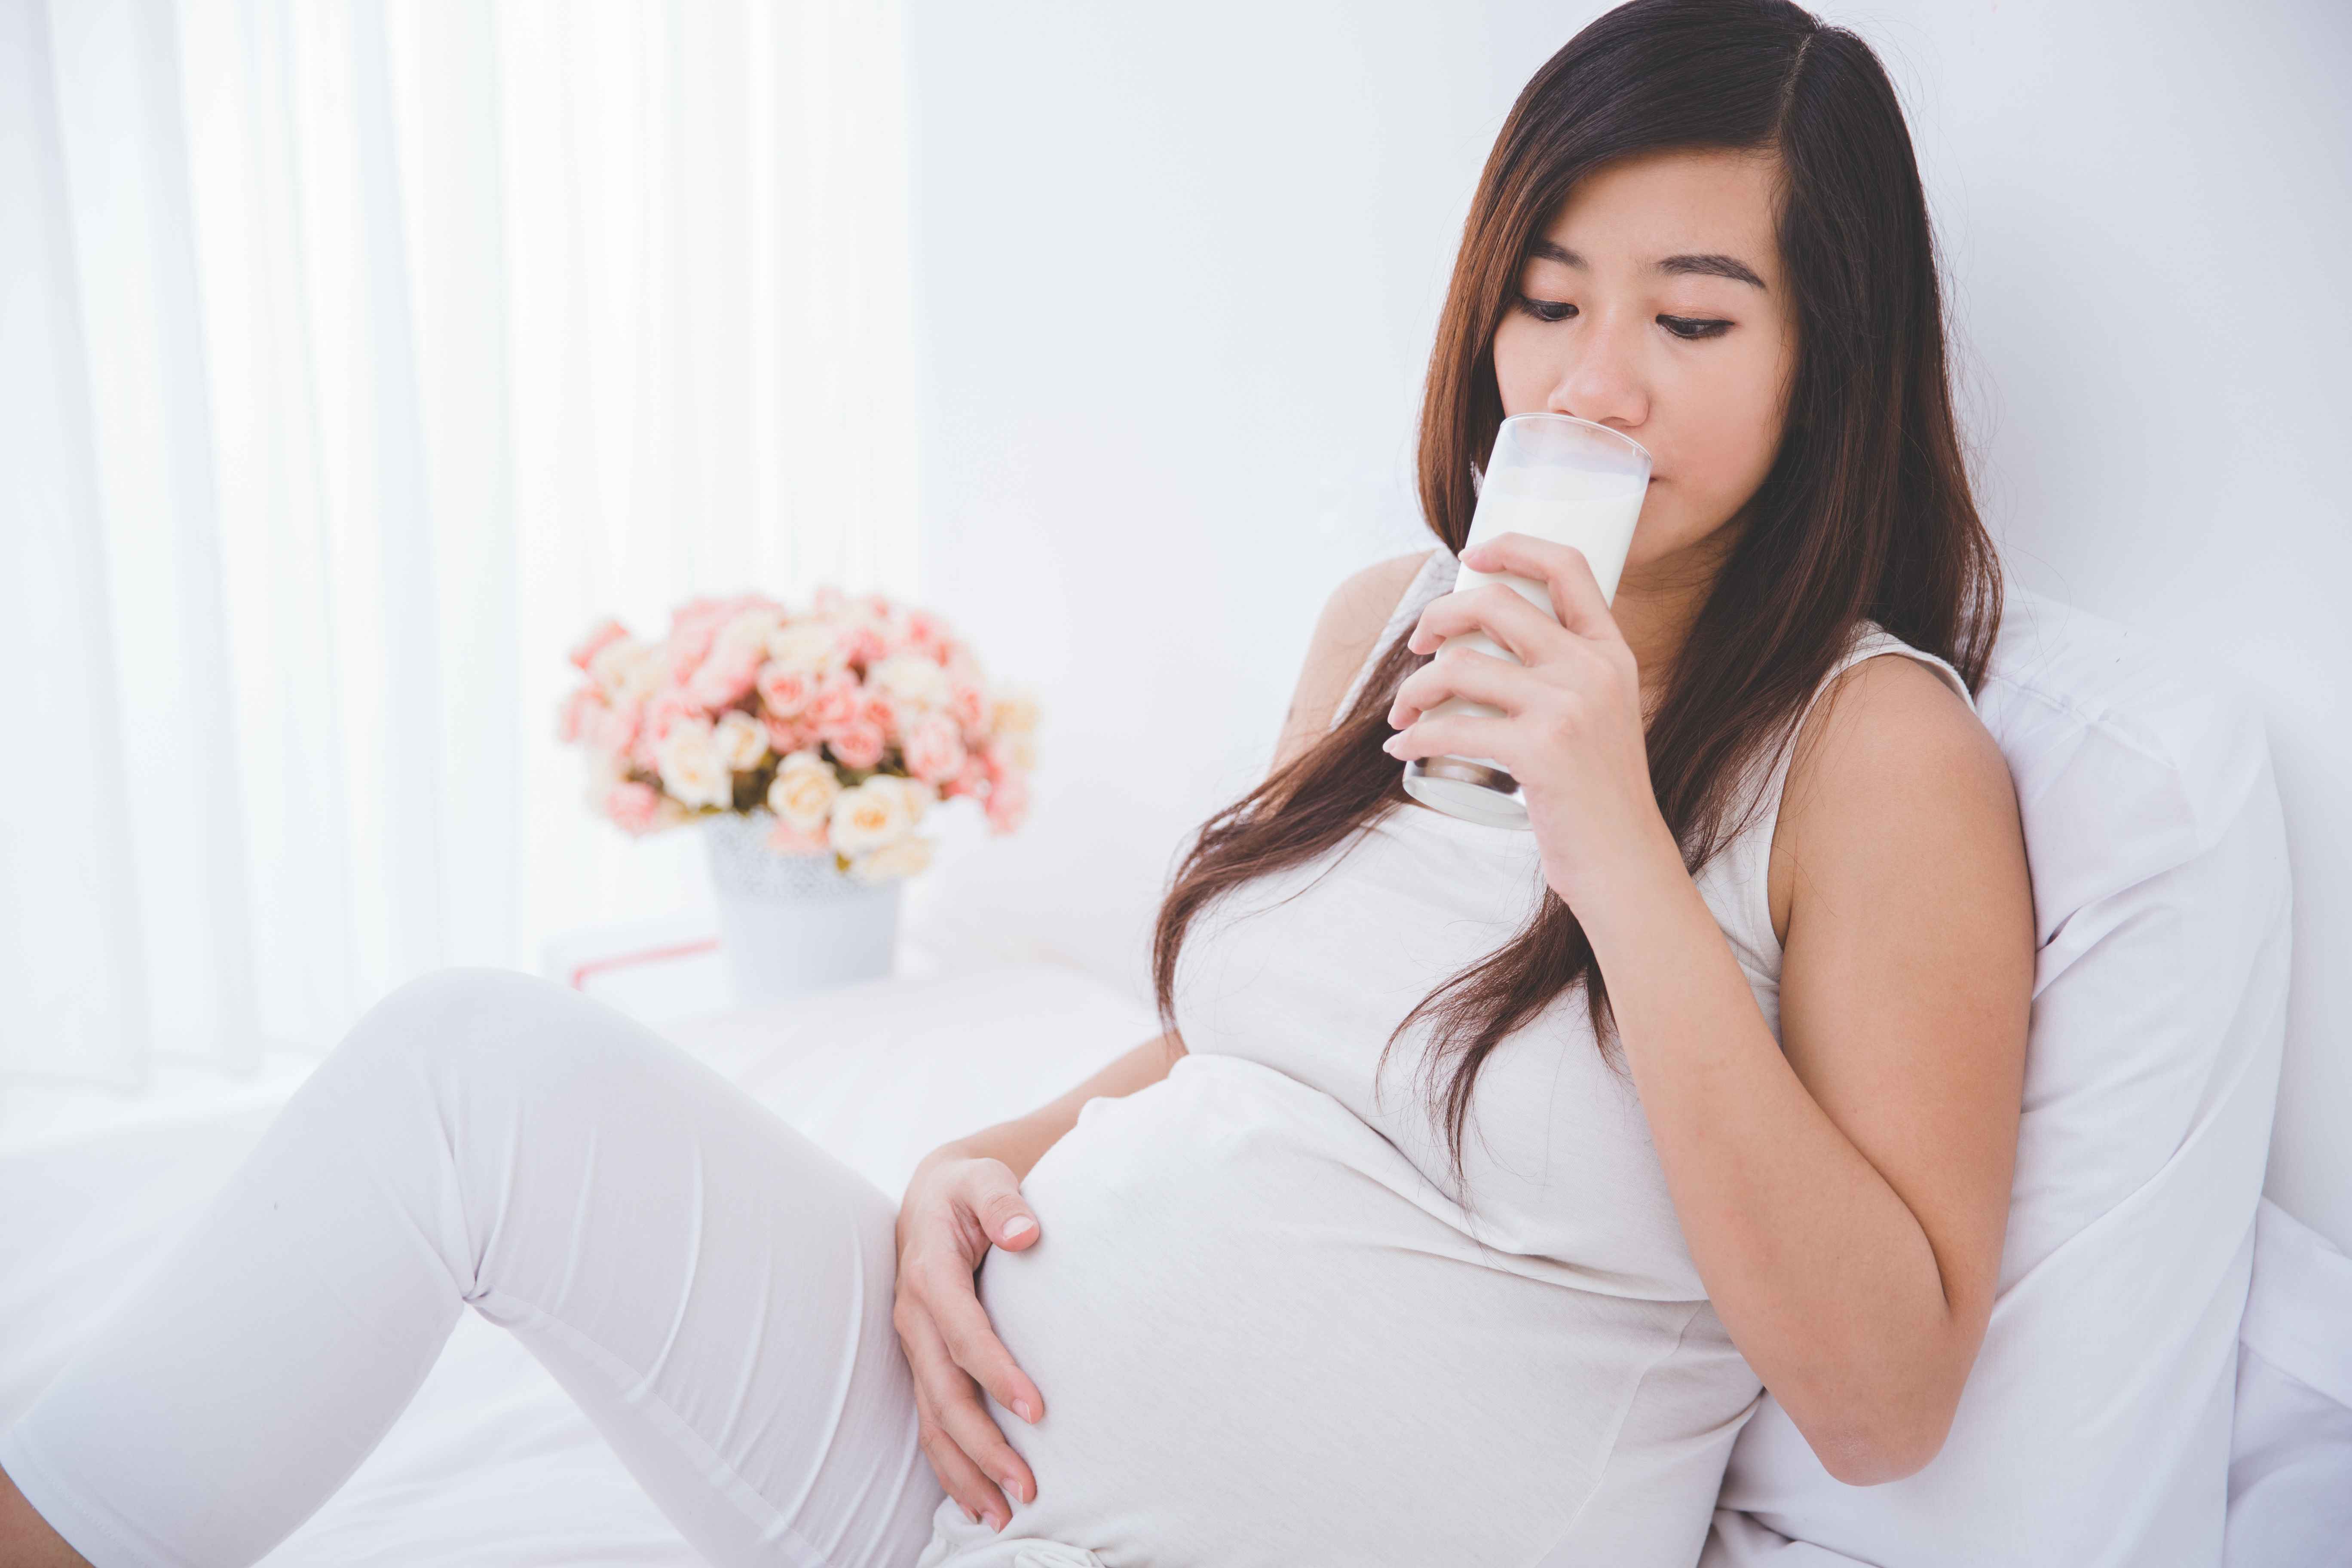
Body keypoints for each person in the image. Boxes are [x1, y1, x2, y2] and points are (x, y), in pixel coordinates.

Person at [0, 0, 2036, 1564]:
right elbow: (1246, 1049)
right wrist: (999, 1150)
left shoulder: (1878, 754)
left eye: (1694, 318)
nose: (1595, 382)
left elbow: (1881, 1400)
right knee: (467, 1074)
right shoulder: (1384, 626)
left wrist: (1615, 845)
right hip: (951, 1449)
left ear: (1831, 358)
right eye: (1548, 301)